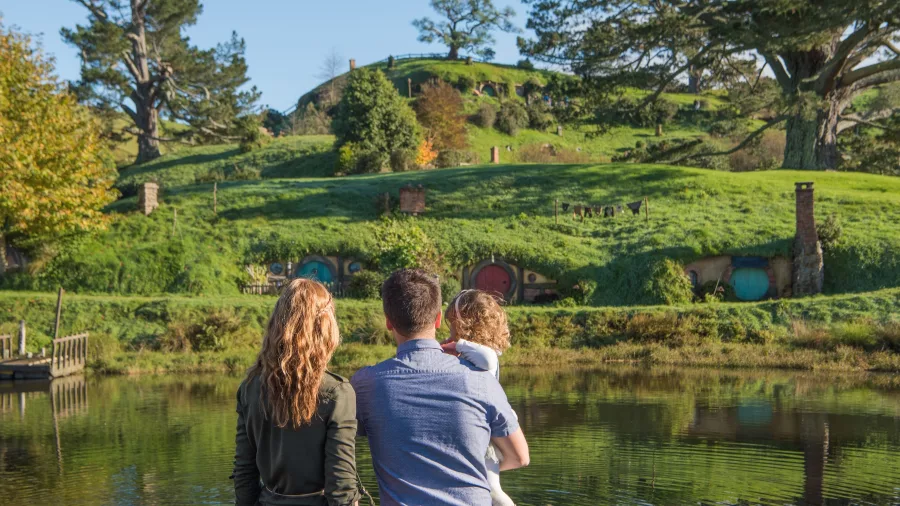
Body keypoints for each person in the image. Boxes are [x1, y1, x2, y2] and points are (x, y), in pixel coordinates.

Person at [352, 269, 530, 506]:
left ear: (388, 321)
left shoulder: (365, 384)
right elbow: (520, 457)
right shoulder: (480, 379)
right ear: (437, 319)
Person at [233, 278, 361, 506]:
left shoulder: (249, 388)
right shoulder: (337, 392)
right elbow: (341, 486)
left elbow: (244, 473)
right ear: (325, 327)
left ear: (276, 324)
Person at [441, 289, 516, 506]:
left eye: (452, 322)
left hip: (485, 431)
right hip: (476, 427)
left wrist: (455, 345)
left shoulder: (484, 353)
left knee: (493, 491)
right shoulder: (472, 352)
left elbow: (488, 360)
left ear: (464, 322)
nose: (450, 329)